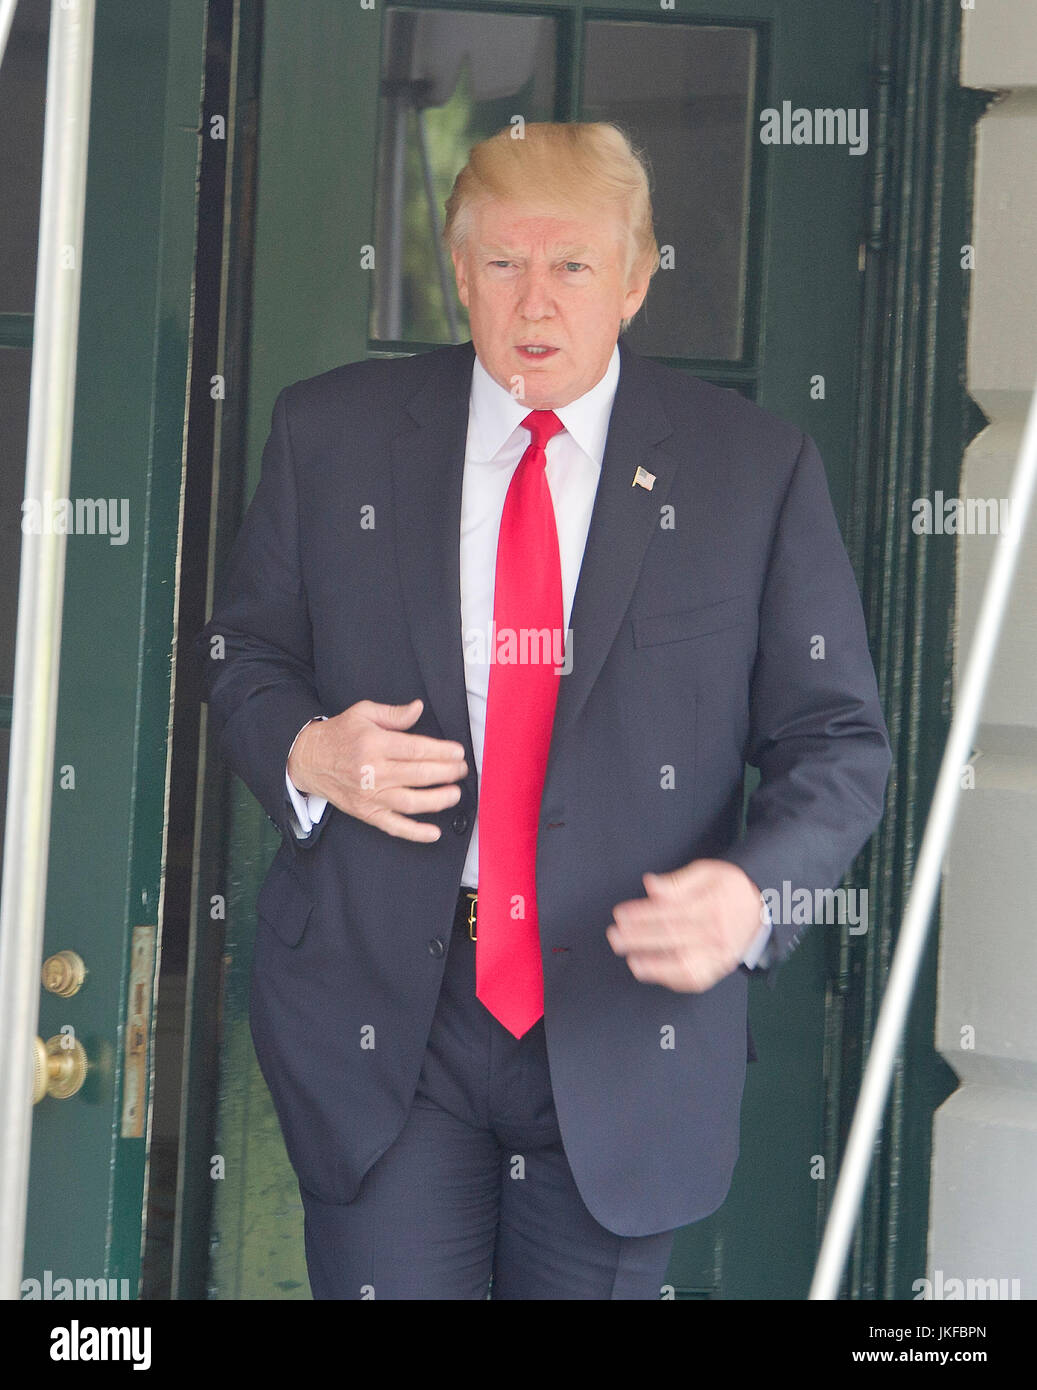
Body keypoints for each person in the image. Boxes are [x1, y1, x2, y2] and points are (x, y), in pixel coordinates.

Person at [197, 121, 891, 1300]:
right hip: (387, 1023)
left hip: (625, 1025)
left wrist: (751, 891)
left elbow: (837, 742)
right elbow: (241, 654)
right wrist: (311, 753)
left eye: (571, 264)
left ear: (632, 280)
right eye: (503, 262)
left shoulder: (750, 471)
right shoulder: (332, 435)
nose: (534, 298)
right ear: (456, 274)